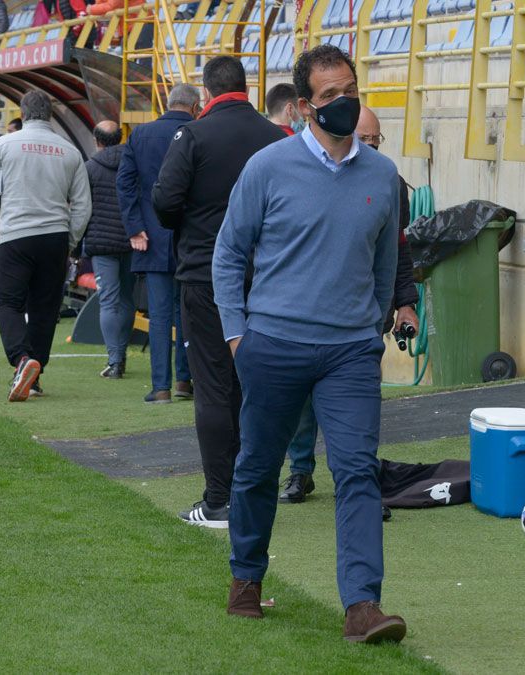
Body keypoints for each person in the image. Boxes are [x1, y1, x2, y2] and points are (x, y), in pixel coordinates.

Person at [213, 44, 406, 642]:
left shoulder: (381, 174)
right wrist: (238, 335)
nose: (344, 102)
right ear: (303, 107)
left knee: (356, 474)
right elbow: (228, 255)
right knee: (257, 467)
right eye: (330, 96)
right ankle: (246, 579)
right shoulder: (267, 167)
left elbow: (385, 265)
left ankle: (362, 607)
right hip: (272, 345)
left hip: (349, 353)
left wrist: (370, 333)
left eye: (350, 90)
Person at [152, 56, 284, 527]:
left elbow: (165, 201)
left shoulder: (194, 135)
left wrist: (190, 220)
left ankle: (219, 500)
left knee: (212, 386)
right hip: (265, 276)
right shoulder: (276, 136)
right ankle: (257, 490)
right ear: (246, 87)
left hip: (205, 274)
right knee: (257, 384)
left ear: (207, 93)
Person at [277, 104, 420, 505]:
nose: (372, 146)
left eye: (377, 139)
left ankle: (358, 483)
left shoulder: (391, 182)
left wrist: (405, 302)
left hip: (364, 320)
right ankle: (300, 471)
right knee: (304, 402)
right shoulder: (308, 178)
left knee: (359, 408)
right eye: (366, 138)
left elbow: (399, 252)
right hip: (311, 315)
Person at [0, 90, 91, 402]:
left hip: (16, 233)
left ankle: (21, 359)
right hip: (55, 236)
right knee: (45, 307)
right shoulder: (69, 151)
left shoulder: (4, 144)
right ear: (50, 115)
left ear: (23, 114)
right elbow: (82, 206)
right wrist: (69, 239)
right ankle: (36, 375)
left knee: (8, 303)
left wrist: (2, 209)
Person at [117, 83, 199, 403]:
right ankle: (184, 380)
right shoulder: (199, 133)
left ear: (168, 101)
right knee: (188, 312)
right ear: (195, 107)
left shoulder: (140, 135)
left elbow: (125, 185)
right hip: (191, 237)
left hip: (150, 236)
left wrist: (135, 228)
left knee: (160, 314)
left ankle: (160, 386)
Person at [82, 121, 135, 379]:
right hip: (132, 241)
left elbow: (82, 208)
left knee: (109, 302)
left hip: (101, 244)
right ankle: (121, 355)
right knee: (126, 300)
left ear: (97, 140)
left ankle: (114, 360)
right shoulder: (133, 162)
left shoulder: (90, 168)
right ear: (121, 137)